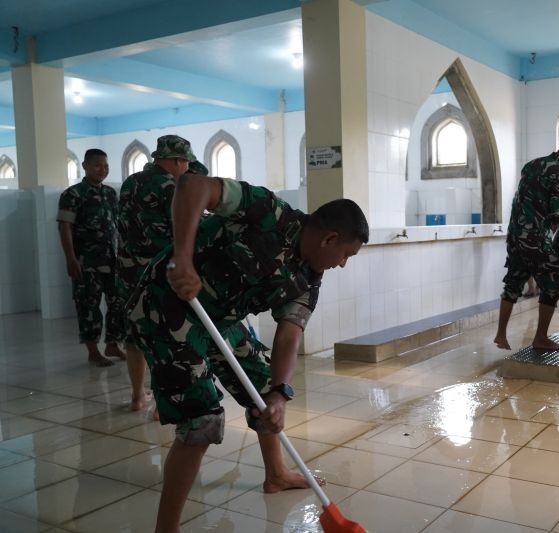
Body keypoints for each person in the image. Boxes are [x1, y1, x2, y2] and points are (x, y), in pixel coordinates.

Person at [128, 172, 368, 533]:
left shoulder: (309, 276)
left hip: (219, 319)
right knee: (201, 421)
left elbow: (289, 336)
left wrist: (279, 393)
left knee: (263, 387)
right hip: (167, 306)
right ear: (330, 238)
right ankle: (167, 529)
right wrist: (183, 257)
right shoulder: (268, 211)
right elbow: (192, 185)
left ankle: (276, 474)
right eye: (346, 254)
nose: (343, 263)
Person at [117, 135, 209, 415]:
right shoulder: (171, 185)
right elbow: (193, 225)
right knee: (164, 340)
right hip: (160, 274)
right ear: (179, 160)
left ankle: (136, 397)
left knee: (135, 336)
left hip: (129, 272)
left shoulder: (130, 182)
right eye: (186, 162)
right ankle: (161, 405)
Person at [494, 136, 559, 351]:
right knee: (552, 286)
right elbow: (556, 212)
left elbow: (529, 198)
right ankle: (541, 338)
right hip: (535, 238)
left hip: (516, 235)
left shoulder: (533, 164)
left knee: (513, 283)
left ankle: (501, 334)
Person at [57, 148, 127, 366]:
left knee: (119, 303)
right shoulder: (73, 194)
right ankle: (93, 351)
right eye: (97, 165)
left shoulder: (110, 193)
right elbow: (65, 227)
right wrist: (70, 258)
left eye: (105, 165)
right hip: (87, 262)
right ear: (85, 166)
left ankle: (113, 344)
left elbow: (117, 226)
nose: (102, 169)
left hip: (112, 260)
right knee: (88, 306)